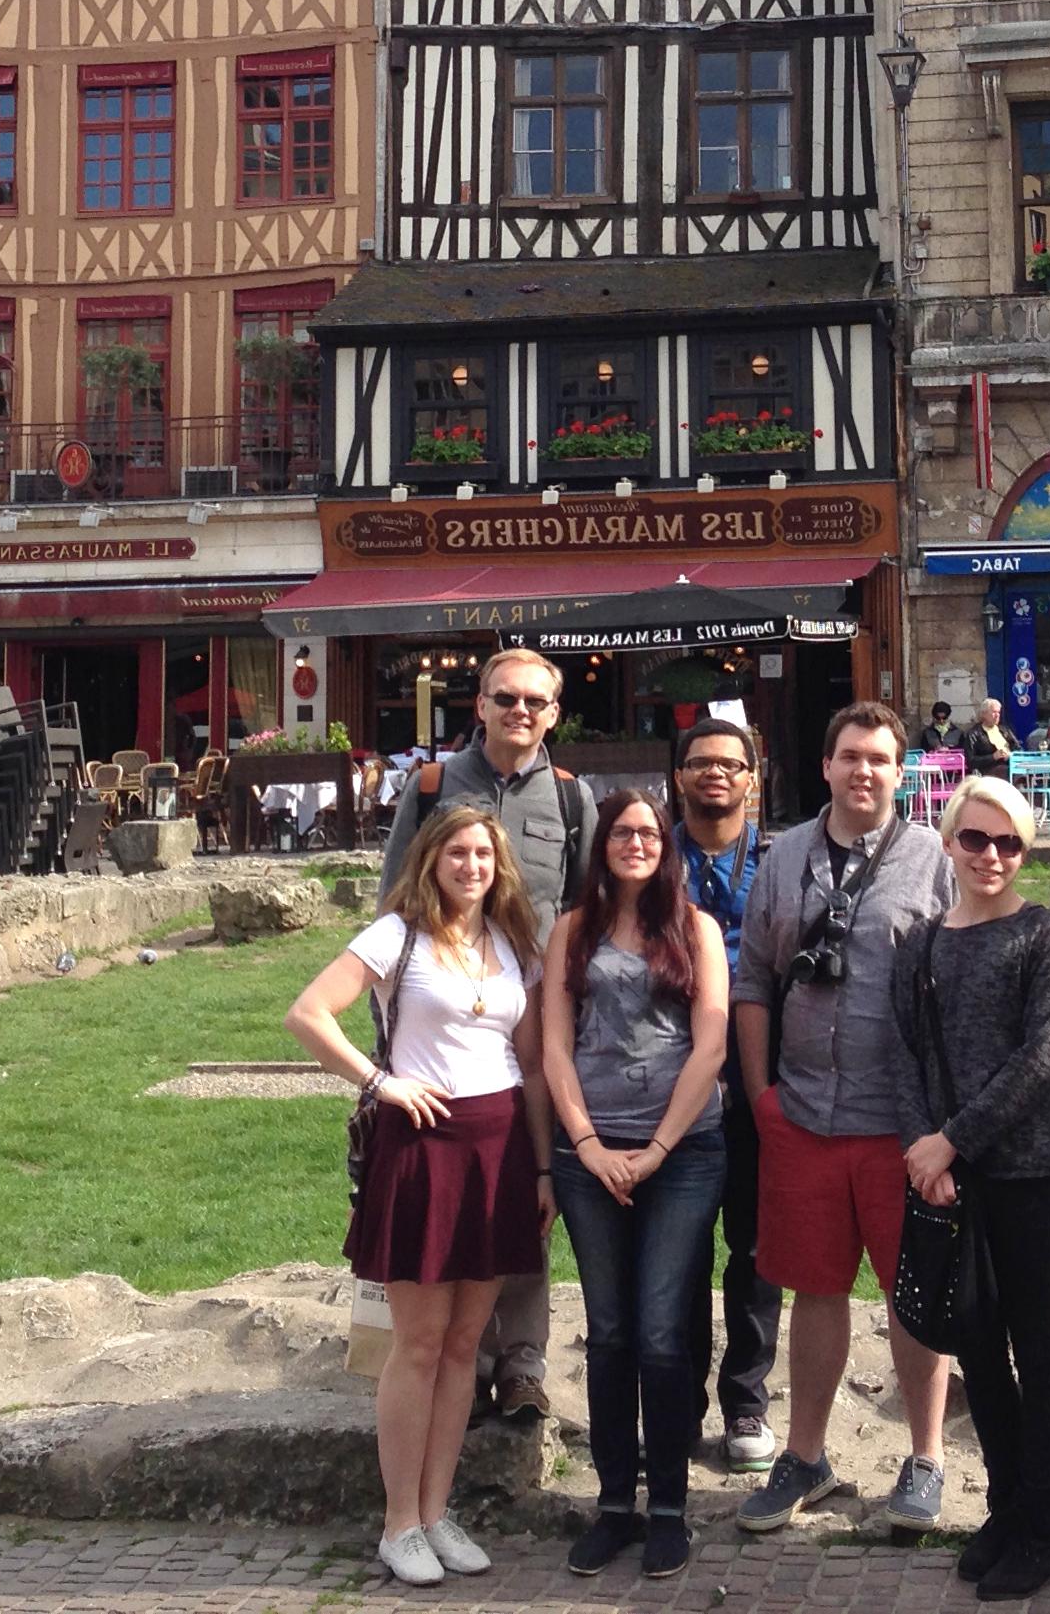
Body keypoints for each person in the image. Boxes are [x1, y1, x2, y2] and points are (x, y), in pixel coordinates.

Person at [285, 805, 552, 1587]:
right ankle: (399, 1520)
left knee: (469, 1343)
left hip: (499, 1150)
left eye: (484, 853)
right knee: (421, 1342)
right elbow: (307, 1013)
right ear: (431, 859)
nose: (472, 866)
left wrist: (541, 1169)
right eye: (458, 853)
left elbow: (531, 1065)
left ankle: (438, 1510)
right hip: (424, 1146)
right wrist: (379, 1080)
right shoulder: (396, 934)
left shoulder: (511, 944)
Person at [733, 703, 957, 1536]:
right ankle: (806, 1454)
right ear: (825, 764)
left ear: (902, 772)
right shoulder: (783, 856)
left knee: (914, 1298)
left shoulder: (933, 857)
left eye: (881, 760)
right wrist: (762, 1096)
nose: (865, 771)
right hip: (803, 1113)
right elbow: (753, 978)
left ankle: (926, 1455)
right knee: (814, 1291)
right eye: (851, 756)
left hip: (900, 1125)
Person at [377, 647, 596, 1418]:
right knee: (442, 1198)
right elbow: (392, 903)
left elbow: (585, 911)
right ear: (480, 704)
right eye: (507, 698)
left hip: (528, 1018)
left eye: (537, 701)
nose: (521, 712)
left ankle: (522, 1360)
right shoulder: (435, 786)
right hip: (440, 1025)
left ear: (555, 712)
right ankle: (453, 1360)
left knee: (527, 1188)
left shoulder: (570, 801)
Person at [896, 775, 1050, 1601]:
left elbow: (1041, 1058)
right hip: (949, 1175)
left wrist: (952, 1139)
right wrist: (922, 1151)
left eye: (1009, 843)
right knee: (974, 1340)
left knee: (1033, 1341)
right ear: (949, 841)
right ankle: (1005, 1504)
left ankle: (1043, 1521)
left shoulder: (1047, 938)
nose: (991, 856)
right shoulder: (922, 942)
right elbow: (905, 1055)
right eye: (975, 839)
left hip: (1030, 1167)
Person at [543, 790, 732, 1582]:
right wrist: (586, 1143)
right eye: (622, 831)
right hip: (590, 1152)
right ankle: (613, 1501)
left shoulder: (698, 929)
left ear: (667, 845)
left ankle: (669, 1507)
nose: (635, 843)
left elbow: (712, 1041)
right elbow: (554, 1048)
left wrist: (655, 1148)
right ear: (602, 843)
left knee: (661, 1329)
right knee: (610, 1329)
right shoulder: (572, 930)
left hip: (681, 1152)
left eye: (649, 832)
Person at [669, 719, 782, 1473]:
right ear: (679, 775)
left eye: (730, 763)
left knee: (754, 1242)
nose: (716, 773)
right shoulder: (645, 855)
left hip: (760, 1066)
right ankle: (675, 1403)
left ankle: (746, 1395)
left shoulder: (780, 860)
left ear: (752, 778)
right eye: (701, 762)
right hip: (669, 1068)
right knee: (676, 1247)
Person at [963, 698, 1017, 782]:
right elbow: (971, 761)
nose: (997, 715)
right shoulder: (973, 734)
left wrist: (1011, 755)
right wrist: (993, 757)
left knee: (1022, 769)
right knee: (1008, 771)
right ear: (984, 714)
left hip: (1009, 764)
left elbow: (1018, 748)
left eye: (998, 712)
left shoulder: (1004, 730)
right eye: (994, 712)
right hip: (987, 770)